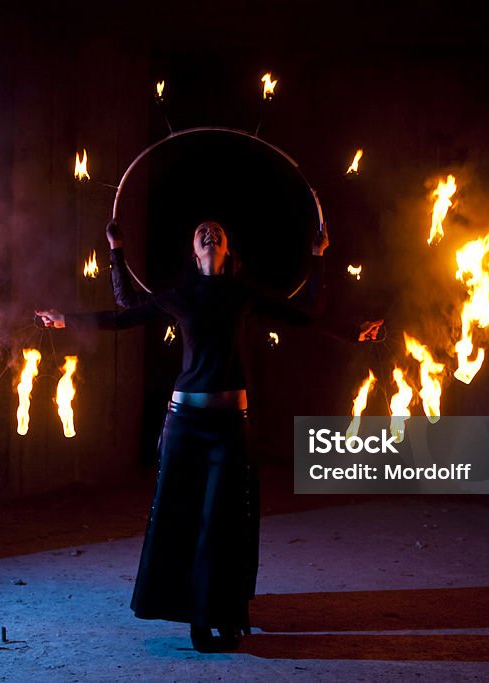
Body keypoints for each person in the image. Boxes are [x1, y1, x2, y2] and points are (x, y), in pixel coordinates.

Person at [36, 219, 382, 652]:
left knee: (225, 522)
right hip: (184, 425)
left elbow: (306, 314)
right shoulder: (179, 297)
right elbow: (124, 311)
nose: (209, 232)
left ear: (227, 248)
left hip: (230, 429)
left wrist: (319, 261)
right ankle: (200, 624)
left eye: (217, 230)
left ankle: (224, 613)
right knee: (182, 520)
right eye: (201, 230)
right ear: (194, 250)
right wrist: (112, 256)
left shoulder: (244, 295)